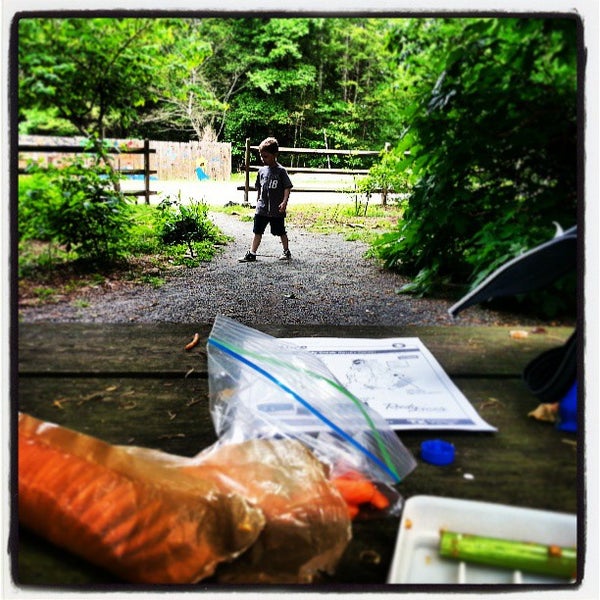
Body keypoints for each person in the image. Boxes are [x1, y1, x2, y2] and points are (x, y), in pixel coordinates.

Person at [239, 137, 293, 262]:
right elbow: (259, 188)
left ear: (275, 155)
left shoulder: (281, 171)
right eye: (262, 156)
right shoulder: (261, 171)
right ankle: (252, 253)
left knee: (280, 231)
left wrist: (284, 202)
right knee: (257, 231)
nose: (263, 159)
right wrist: (258, 201)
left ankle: (286, 251)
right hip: (262, 209)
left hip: (276, 210)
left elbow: (287, 187)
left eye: (266, 156)